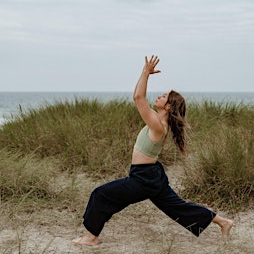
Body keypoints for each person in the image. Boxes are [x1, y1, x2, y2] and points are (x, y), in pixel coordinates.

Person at [72, 55, 233, 246]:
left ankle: (91, 238)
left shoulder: (158, 124)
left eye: (163, 96)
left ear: (169, 106)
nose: (158, 96)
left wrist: (145, 72)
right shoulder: (159, 121)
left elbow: (138, 97)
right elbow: (139, 98)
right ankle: (223, 222)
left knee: (101, 194)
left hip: (143, 178)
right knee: (177, 207)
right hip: (152, 175)